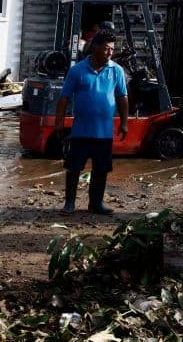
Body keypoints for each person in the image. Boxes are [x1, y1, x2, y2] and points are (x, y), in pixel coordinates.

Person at [52, 31, 129, 215]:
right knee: (74, 167)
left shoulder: (116, 70)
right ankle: (69, 203)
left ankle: (96, 204)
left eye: (112, 49)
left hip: (104, 132)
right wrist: (59, 122)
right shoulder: (77, 70)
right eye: (106, 49)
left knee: (101, 170)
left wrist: (124, 123)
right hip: (81, 131)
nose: (110, 53)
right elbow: (64, 98)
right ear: (95, 48)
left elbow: (122, 97)